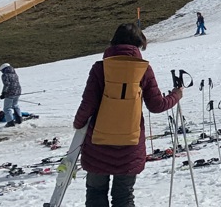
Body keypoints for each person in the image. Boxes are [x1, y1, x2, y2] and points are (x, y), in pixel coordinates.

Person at [73, 23, 182, 207]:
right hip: (130, 145)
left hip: (98, 144)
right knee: (124, 196)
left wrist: (78, 124)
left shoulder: (100, 68)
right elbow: (156, 105)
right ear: (138, 44)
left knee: (95, 193)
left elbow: (87, 105)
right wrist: (176, 95)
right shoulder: (143, 70)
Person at [0, 63, 22, 128]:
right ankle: (19, 119)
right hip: (18, 91)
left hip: (10, 92)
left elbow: (6, 85)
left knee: (7, 108)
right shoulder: (15, 74)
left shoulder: (5, 75)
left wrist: (3, 93)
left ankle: (10, 122)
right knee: (15, 105)